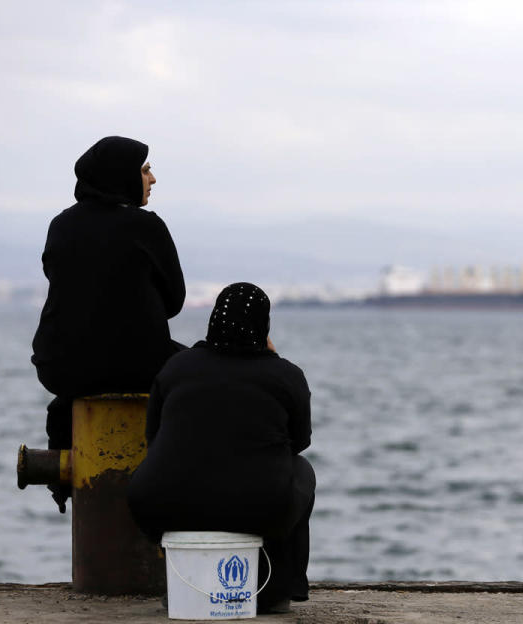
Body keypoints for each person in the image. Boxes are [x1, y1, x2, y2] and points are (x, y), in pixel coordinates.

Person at [127, 282, 315, 614]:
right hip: (257, 509)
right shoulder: (286, 375)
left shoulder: (176, 367)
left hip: (159, 504)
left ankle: (183, 587)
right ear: (264, 325)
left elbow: (153, 437)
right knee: (301, 471)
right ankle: (278, 590)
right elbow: (299, 443)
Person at [31, 136, 186, 511]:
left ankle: (65, 464)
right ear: (123, 176)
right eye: (145, 170)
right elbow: (174, 302)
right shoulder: (146, 226)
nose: (152, 179)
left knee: (86, 373)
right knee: (191, 368)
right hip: (137, 367)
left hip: (60, 367)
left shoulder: (60, 225)